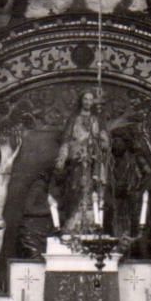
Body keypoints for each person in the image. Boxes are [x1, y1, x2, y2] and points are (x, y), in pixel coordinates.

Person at [54, 89, 115, 234]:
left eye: (90, 99)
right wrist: (62, 158)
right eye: (85, 99)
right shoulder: (74, 119)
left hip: (94, 162)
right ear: (81, 101)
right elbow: (66, 141)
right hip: (78, 161)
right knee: (77, 188)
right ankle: (74, 223)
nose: (88, 102)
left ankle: (92, 223)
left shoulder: (97, 119)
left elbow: (105, 142)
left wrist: (102, 140)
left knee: (93, 190)